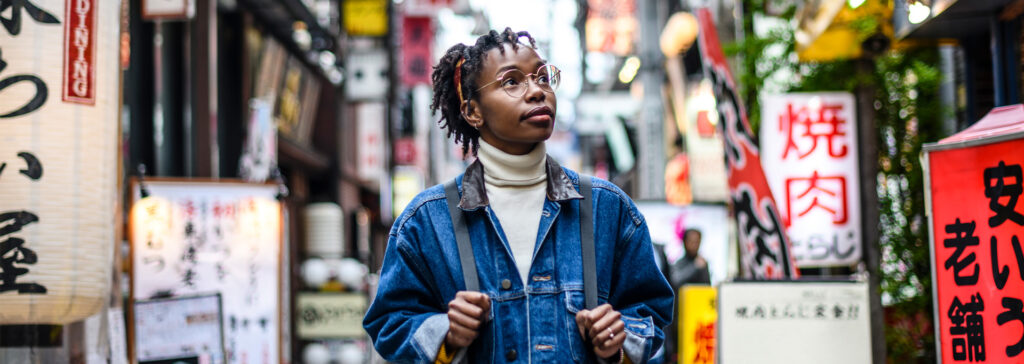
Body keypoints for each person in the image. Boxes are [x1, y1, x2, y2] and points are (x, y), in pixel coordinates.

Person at [363, 28, 674, 363]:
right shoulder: (426, 220)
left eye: (542, 78)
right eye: (512, 82)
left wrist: (618, 337)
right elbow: (389, 323)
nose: (537, 91)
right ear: (472, 112)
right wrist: (446, 333)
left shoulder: (608, 208)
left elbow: (650, 313)